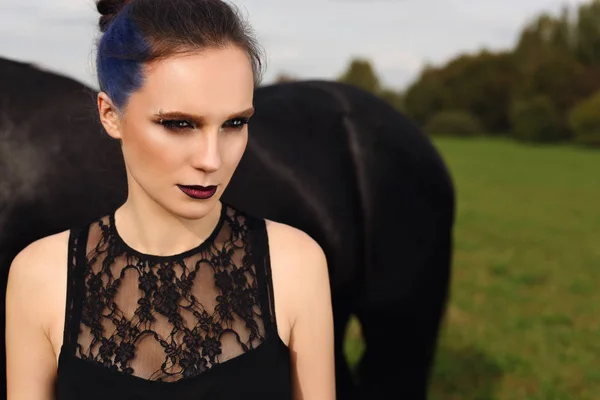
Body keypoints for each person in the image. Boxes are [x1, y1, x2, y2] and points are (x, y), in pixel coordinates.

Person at [4, 0, 335, 399]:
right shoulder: (39, 277)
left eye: (234, 123)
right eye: (179, 124)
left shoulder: (296, 264)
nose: (212, 160)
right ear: (110, 115)